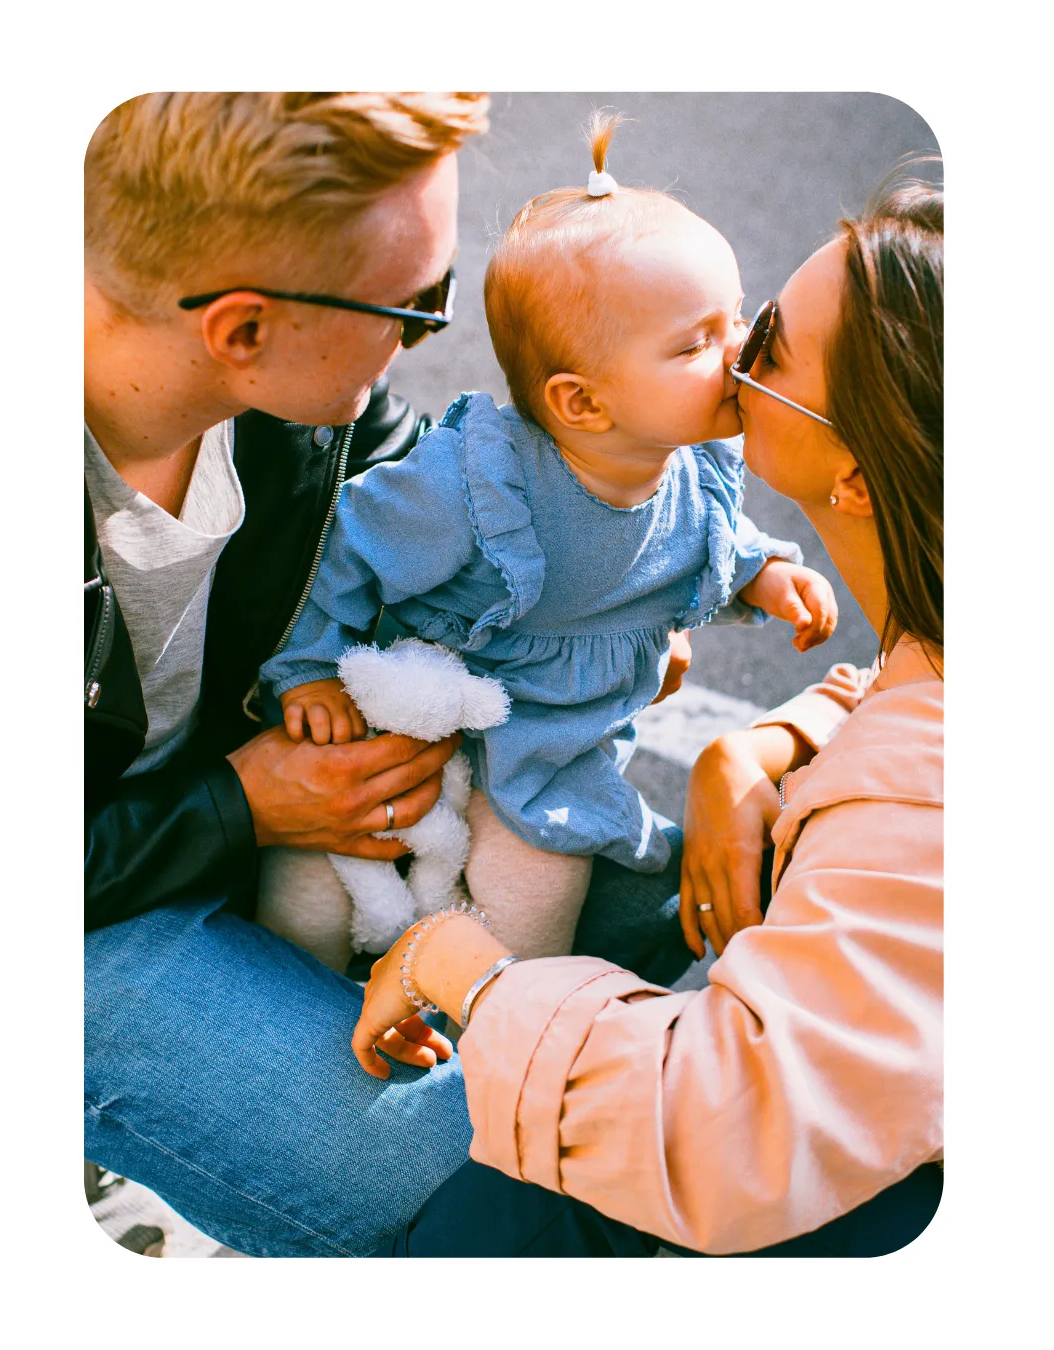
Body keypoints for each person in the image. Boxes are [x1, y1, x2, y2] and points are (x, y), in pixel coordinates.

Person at [83, 91, 696, 1258]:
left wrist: (609, 602)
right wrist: (238, 808)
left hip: (281, 820)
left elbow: (465, 504)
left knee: (678, 937)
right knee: (475, 1165)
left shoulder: (309, 413)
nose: (432, 334)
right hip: (100, 906)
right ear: (244, 331)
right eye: (414, 304)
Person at [356, 169, 945, 1258]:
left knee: (486, 1207)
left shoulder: (918, 801)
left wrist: (455, 961)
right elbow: (902, 709)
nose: (734, 357)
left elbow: (722, 1132)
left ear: (858, 476)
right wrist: (758, 746)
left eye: (766, 340)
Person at [256, 113, 837, 966]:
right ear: (583, 403)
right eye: (697, 343)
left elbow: (714, 539)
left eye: (738, 317)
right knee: (317, 889)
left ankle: (489, 1024)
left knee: (536, 899)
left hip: (553, 750)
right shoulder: (475, 481)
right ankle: (286, 996)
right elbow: (349, 546)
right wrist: (309, 670)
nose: (740, 350)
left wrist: (764, 576)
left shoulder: (697, 465)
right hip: (419, 710)